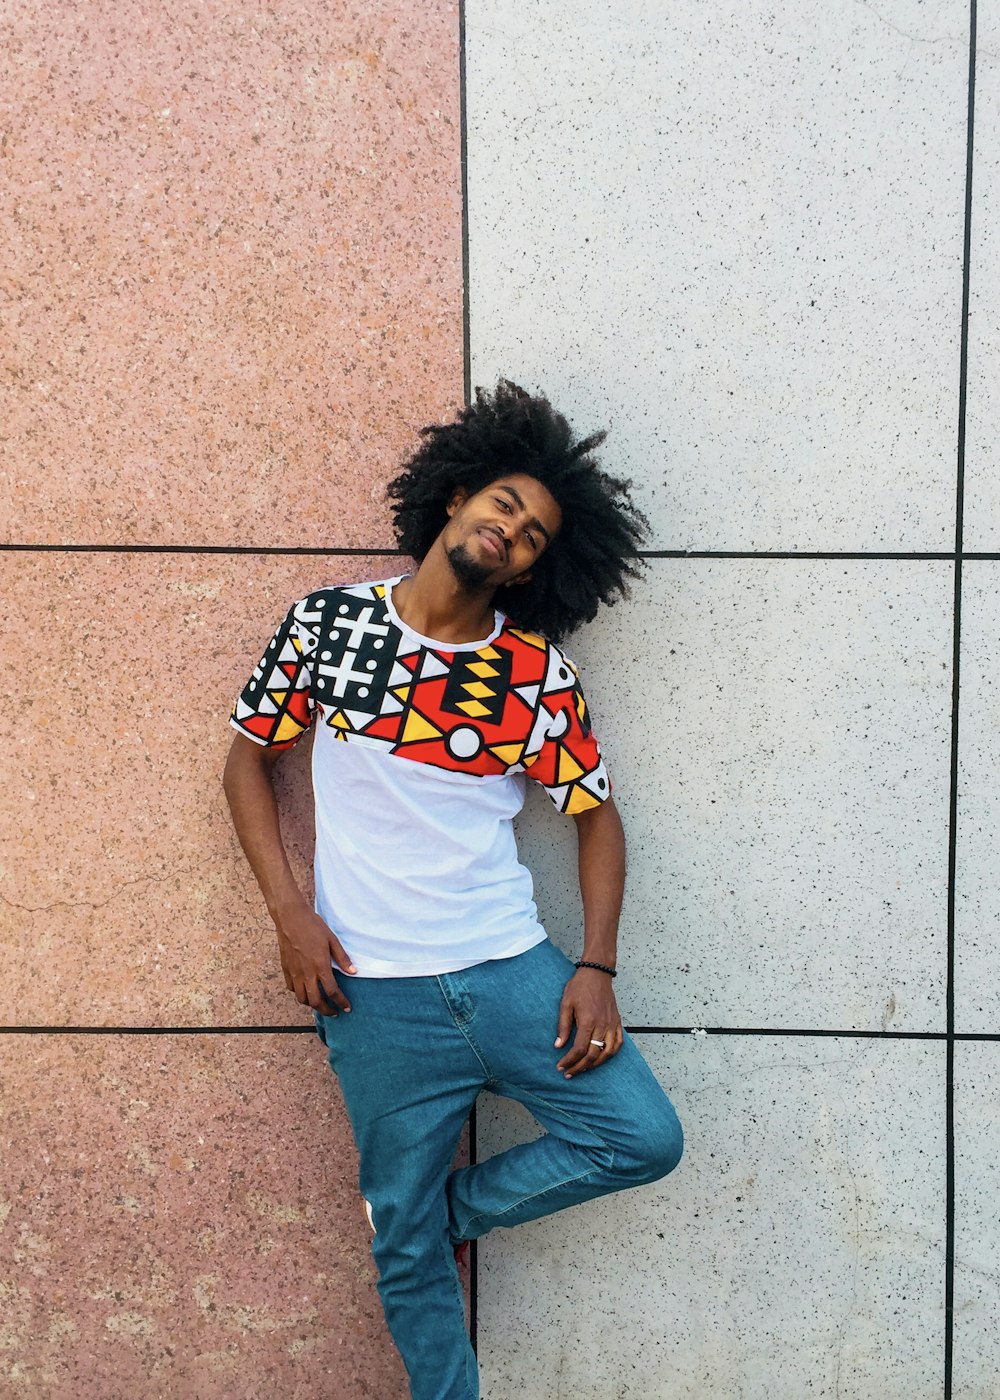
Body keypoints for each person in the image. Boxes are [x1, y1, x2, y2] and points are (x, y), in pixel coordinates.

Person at [223, 381, 683, 1400]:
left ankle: (444, 1210)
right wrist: (291, 913)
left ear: (538, 567)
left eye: (533, 536)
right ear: (457, 494)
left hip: (513, 970)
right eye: (506, 504)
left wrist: (595, 964)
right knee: (402, 1256)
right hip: (373, 993)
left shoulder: (535, 677)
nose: (512, 531)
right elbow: (247, 761)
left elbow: (594, 814)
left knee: (642, 1137)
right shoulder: (326, 625)